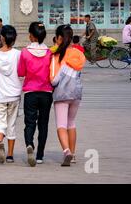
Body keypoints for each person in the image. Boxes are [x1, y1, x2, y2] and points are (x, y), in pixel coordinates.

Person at [18, 22, 53, 166]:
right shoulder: (50, 53)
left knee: (30, 122)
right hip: (46, 92)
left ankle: (29, 144)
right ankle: (40, 155)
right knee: (43, 124)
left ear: (31, 35)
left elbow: (20, 72)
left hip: (30, 92)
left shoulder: (25, 52)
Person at [51, 24, 86, 166]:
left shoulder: (56, 56)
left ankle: (67, 152)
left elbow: (53, 80)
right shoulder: (79, 54)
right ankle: (73, 153)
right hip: (76, 93)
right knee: (71, 123)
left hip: (61, 94)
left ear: (59, 38)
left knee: (61, 124)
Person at [0, 25, 22, 164]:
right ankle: (10, 155)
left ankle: (0, 143)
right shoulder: (18, 54)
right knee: (11, 124)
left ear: (1, 38)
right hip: (14, 94)